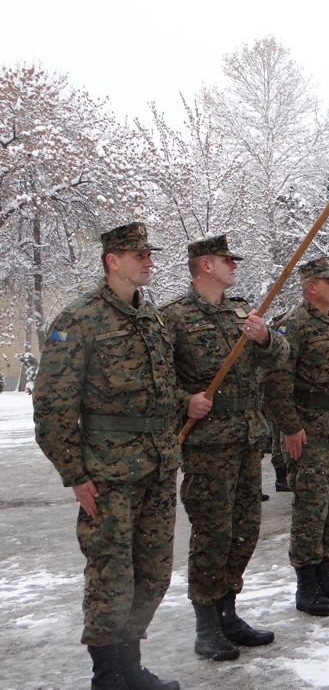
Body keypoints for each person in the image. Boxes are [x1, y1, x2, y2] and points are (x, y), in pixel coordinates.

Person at [33, 222, 186, 690]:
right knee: (111, 576)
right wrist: (74, 474)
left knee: (153, 574)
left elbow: (163, 391)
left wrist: (186, 406)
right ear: (112, 261)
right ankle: (107, 675)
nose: (149, 262)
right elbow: (53, 408)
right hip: (108, 474)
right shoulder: (79, 320)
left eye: (149, 254)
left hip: (158, 467)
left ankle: (130, 665)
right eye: (139, 255)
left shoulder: (152, 318)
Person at [162, 234, 287, 661]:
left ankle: (228, 611)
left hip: (247, 439)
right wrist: (185, 402)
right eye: (226, 260)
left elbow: (280, 357)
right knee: (213, 534)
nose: (234, 265)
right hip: (207, 445)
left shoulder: (242, 313)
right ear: (204, 266)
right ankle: (206, 624)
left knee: (244, 531)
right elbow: (155, 381)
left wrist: (266, 338)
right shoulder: (174, 318)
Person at [267, 257, 329, 617]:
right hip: (310, 431)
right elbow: (277, 381)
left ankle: (325, 574)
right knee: (311, 507)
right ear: (311, 287)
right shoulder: (293, 325)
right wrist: (291, 427)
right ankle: (306, 584)